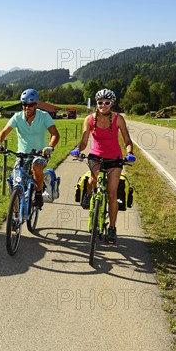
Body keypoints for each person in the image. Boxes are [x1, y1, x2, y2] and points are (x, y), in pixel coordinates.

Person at [70, 88, 136, 243]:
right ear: (96, 103)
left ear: (112, 103)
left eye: (107, 102)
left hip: (114, 158)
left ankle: (112, 228)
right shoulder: (89, 119)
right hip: (96, 156)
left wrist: (130, 152)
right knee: (92, 181)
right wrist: (77, 149)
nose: (103, 105)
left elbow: (127, 139)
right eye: (100, 102)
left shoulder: (118, 119)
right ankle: (88, 195)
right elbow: (85, 140)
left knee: (112, 193)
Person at [0, 88, 60, 208]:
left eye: (30, 105)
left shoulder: (44, 116)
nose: (27, 108)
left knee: (36, 167)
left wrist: (50, 146)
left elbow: (55, 134)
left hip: (39, 154)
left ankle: (39, 193)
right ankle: (14, 220)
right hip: (22, 155)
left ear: (36, 105)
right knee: (16, 184)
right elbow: (3, 132)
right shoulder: (17, 117)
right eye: (24, 104)